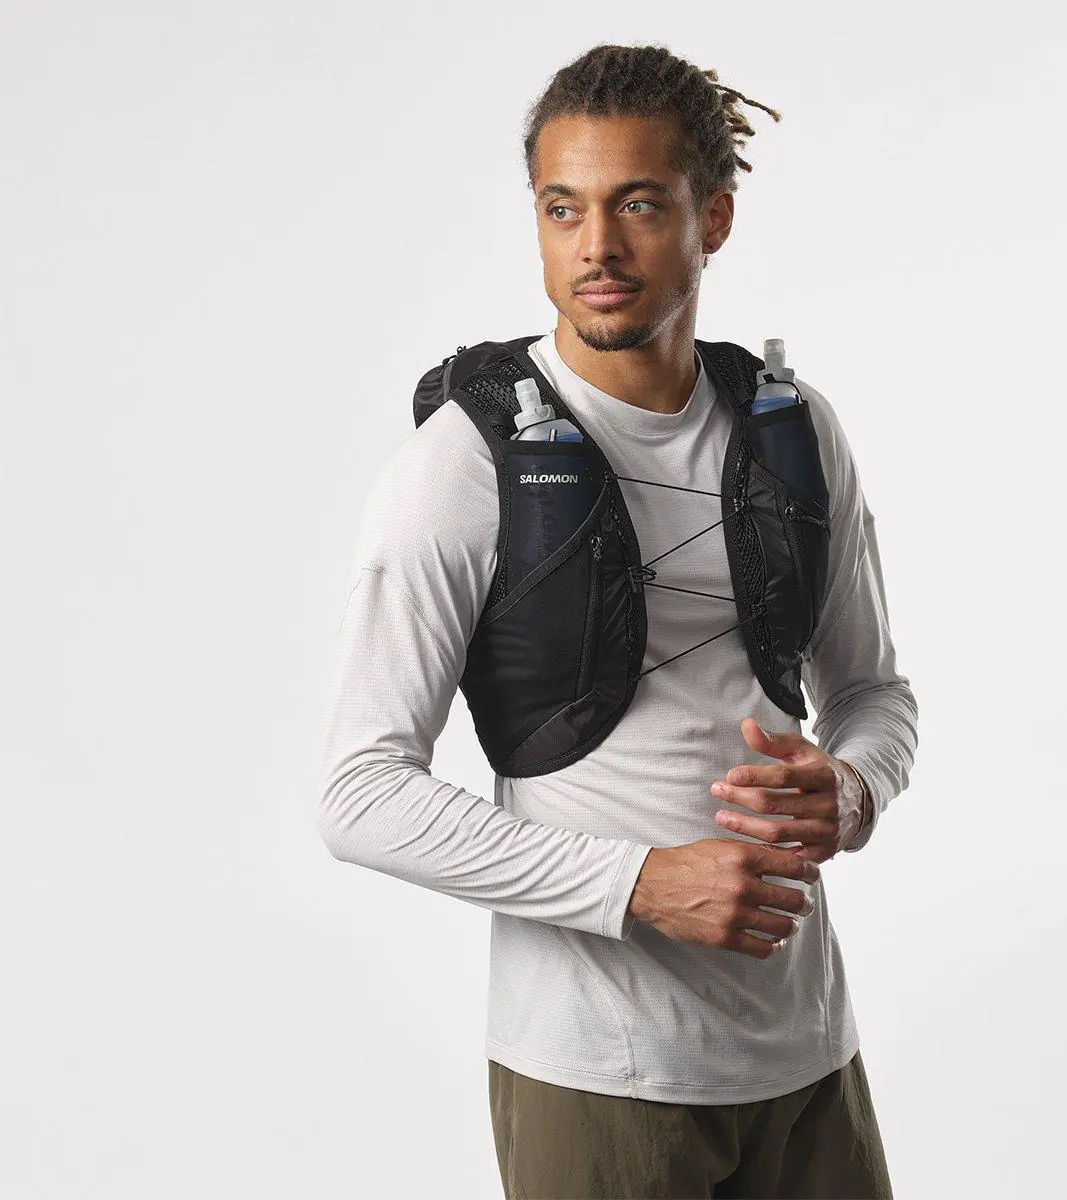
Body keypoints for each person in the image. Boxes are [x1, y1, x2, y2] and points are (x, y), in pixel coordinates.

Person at [317, 41, 918, 1200]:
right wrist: (640, 883)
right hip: (599, 1075)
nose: (595, 246)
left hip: (807, 1053)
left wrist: (852, 790)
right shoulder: (464, 463)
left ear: (714, 217)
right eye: (564, 208)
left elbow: (873, 695)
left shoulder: (794, 429)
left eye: (637, 204)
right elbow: (358, 795)